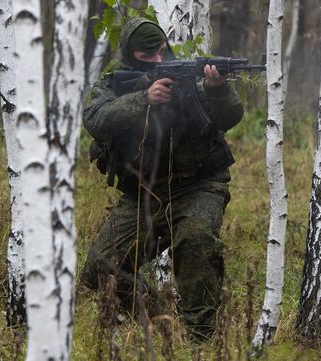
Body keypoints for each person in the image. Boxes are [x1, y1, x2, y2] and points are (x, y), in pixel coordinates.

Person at [81, 17, 244, 339]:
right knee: (99, 268)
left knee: (196, 239)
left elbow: (230, 117)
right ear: (131, 55)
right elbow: (96, 121)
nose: (159, 60)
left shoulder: (190, 74)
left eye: (161, 51)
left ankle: (200, 335)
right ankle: (162, 316)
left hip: (198, 184)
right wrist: (144, 99)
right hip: (141, 193)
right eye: (147, 56)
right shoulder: (114, 80)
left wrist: (217, 89)